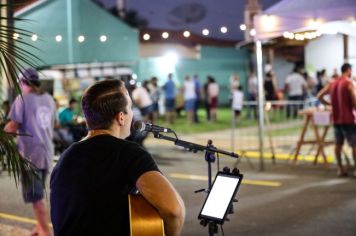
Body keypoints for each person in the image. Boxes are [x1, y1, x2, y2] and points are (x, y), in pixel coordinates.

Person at [50, 79, 185, 236]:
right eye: (130, 108)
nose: (132, 114)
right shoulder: (129, 153)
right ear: (121, 117)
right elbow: (174, 210)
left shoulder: (65, 158)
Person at [4, 68, 55, 236]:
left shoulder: (22, 99)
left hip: (30, 155)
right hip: (46, 152)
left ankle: (46, 232)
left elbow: (12, 126)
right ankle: (40, 226)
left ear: (24, 83)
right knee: (38, 193)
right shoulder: (49, 99)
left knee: (36, 196)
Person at [317, 63, 356, 177]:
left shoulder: (332, 83)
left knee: (338, 144)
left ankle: (340, 169)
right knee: (354, 145)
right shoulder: (349, 83)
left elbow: (319, 96)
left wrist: (331, 104)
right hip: (349, 119)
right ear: (349, 70)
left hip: (336, 119)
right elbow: (354, 101)